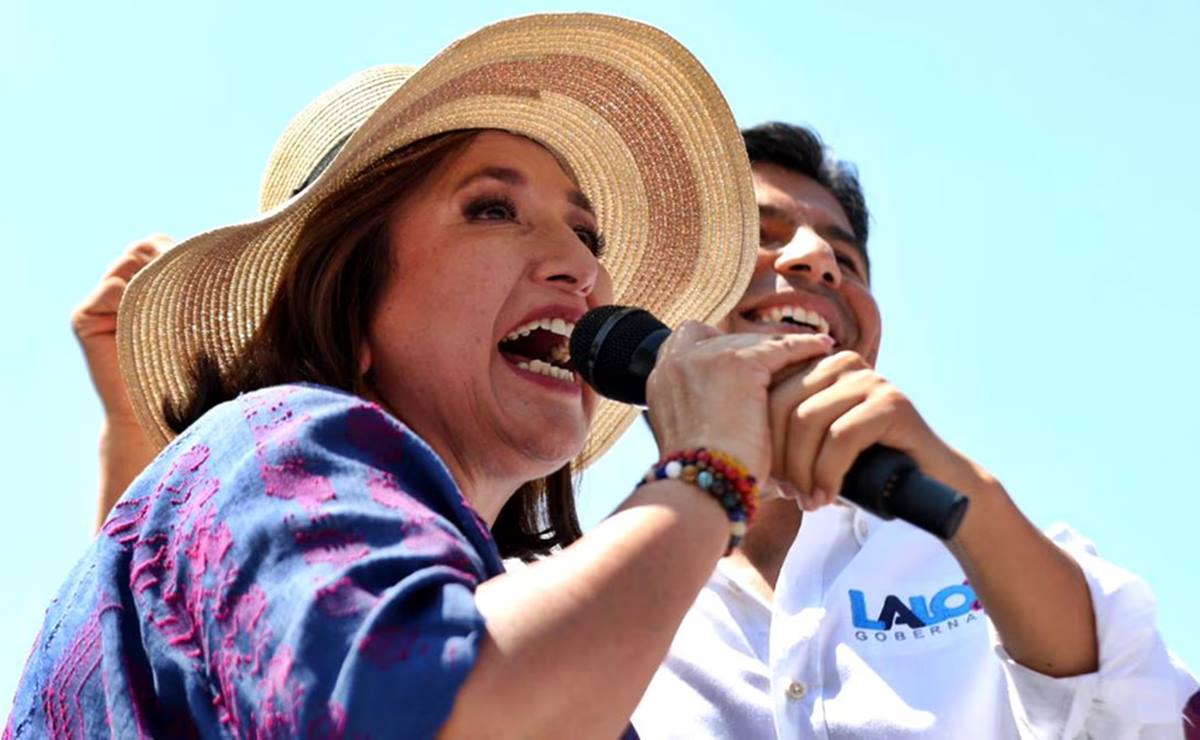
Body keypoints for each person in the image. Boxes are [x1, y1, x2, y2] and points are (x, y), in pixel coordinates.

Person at [9, 15, 829, 738]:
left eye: (589, 233)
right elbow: (439, 714)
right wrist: (707, 474)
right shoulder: (285, 435)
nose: (581, 266)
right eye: (492, 209)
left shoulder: (528, 628)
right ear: (349, 296)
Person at [629, 122, 1199, 738]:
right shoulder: (570, 589)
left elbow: (1151, 719)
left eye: (845, 259)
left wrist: (967, 495)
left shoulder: (990, 555)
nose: (817, 261)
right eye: (758, 238)